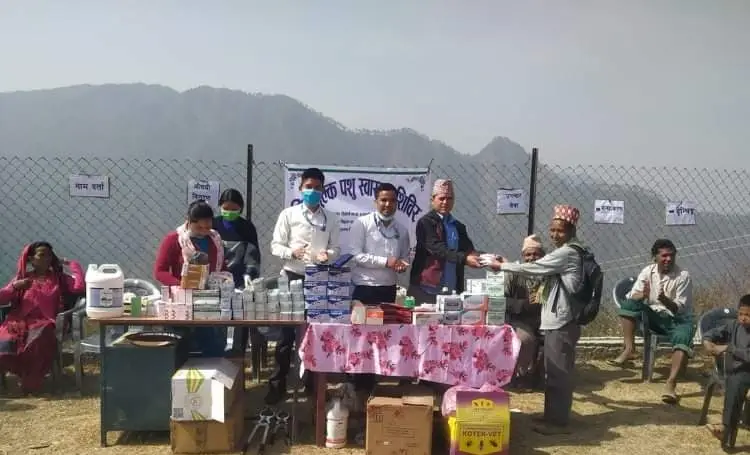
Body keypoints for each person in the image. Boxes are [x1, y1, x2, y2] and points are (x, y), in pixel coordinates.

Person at [487, 204, 587, 434]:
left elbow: (536, 268)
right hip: (546, 320)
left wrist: (501, 266)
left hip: (561, 320)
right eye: (552, 230)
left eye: (560, 231)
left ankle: (557, 422)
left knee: (559, 372)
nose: (555, 235)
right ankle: (552, 415)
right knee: (554, 370)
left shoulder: (567, 253)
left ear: (571, 230)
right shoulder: (567, 252)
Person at [270, 167, 340, 404]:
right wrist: (292, 252)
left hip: (318, 279)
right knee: (286, 335)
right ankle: (277, 385)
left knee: (314, 333)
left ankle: (312, 385)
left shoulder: (330, 218)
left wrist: (328, 255)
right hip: (292, 277)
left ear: (323, 190)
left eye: (317, 188)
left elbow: (336, 248)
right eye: (308, 187)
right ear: (300, 188)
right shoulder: (288, 215)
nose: (312, 191)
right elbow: (275, 246)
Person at [609, 238, 693, 405]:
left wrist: (665, 300)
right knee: (629, 305)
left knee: (683, 335)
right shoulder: (648, 271)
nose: (668, 259)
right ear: (655, 257)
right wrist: (644, 295)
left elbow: (679, 308)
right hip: (654, 316)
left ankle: (671, 383)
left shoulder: (683, 276)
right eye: (664, 256)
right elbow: (632, 296)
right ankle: (629, 349)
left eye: (671, 255)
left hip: (676, 319)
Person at [0, 242, 84, 393]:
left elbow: (79, 287)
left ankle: (31, 381)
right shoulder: (23, 278)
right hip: (20, 321)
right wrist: (15, 287)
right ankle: (18, 373)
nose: (47, 258)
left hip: (46, 322)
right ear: (31, 259)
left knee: (37, 339)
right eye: (42, 255)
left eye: (49, 255)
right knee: (6, 337)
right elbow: (2, 298)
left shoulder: (59, 279)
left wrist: (73, 264)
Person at [154, 200, 227, 357]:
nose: (204, 231)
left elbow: (223, 267)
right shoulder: (174, 240)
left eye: (207, 227)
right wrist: (181, 284)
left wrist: (224, 280)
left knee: (213, 347)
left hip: (210, 302)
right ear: (189, 221)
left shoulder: (215, 240)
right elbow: (160, 271)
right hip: (183, 301)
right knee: (182, 349)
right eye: (199, 227)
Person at [409, 179, 483, 303]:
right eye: (441, 198)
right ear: (433, 200)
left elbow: (469, 250)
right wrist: (464, 259)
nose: (445, 202)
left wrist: (489, 259)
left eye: (449, 198)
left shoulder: (458, 226)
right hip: (427, 288)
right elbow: (437, 248)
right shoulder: (425, 223)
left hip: (452, 289)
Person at [212, 188, 261, 354]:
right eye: (226, 208)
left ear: (241, 208)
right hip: (216, 277)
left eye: (234, 209)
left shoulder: (247, 227)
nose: (230, 212)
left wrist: (250, 273)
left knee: (240, 314)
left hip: (240, 278)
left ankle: (239, 351)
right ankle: (216, 349)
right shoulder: (213, 225)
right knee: (217, 314)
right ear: (220, 206)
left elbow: (253, 253)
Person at [349, 182, 411, 304]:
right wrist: (386, 262)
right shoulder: (362, 223)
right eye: (383, 200)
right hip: (364, 286)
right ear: (375, 202)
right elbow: (355, 256)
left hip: (390, 287)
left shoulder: (402, 230)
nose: (388, 204)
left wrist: (402, 266)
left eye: (392, 201)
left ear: (396, 203)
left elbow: (405, 257)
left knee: (389, 317)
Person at [702, 294, 750, 449]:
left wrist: (729, 348)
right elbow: (714, 332)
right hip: (738, 372)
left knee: (737, 380)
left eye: (748, 315)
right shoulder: (734, 325)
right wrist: (707, 341)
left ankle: (726, 430)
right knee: (736, 380)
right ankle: (727, 432)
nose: (743, 318)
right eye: (741, 314)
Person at [504, 234, 545, 390]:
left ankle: (539, 375)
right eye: (528, 254)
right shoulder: (514, 274)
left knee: (553, 340)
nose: (532, 258)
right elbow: (501, 300)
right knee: (525, 339)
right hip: (518, 319)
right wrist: (523, 305)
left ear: (542, 256)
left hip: (543, 318)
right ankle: (521, 375)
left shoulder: (548, 274)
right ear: (523, 256)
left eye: (536, 254)